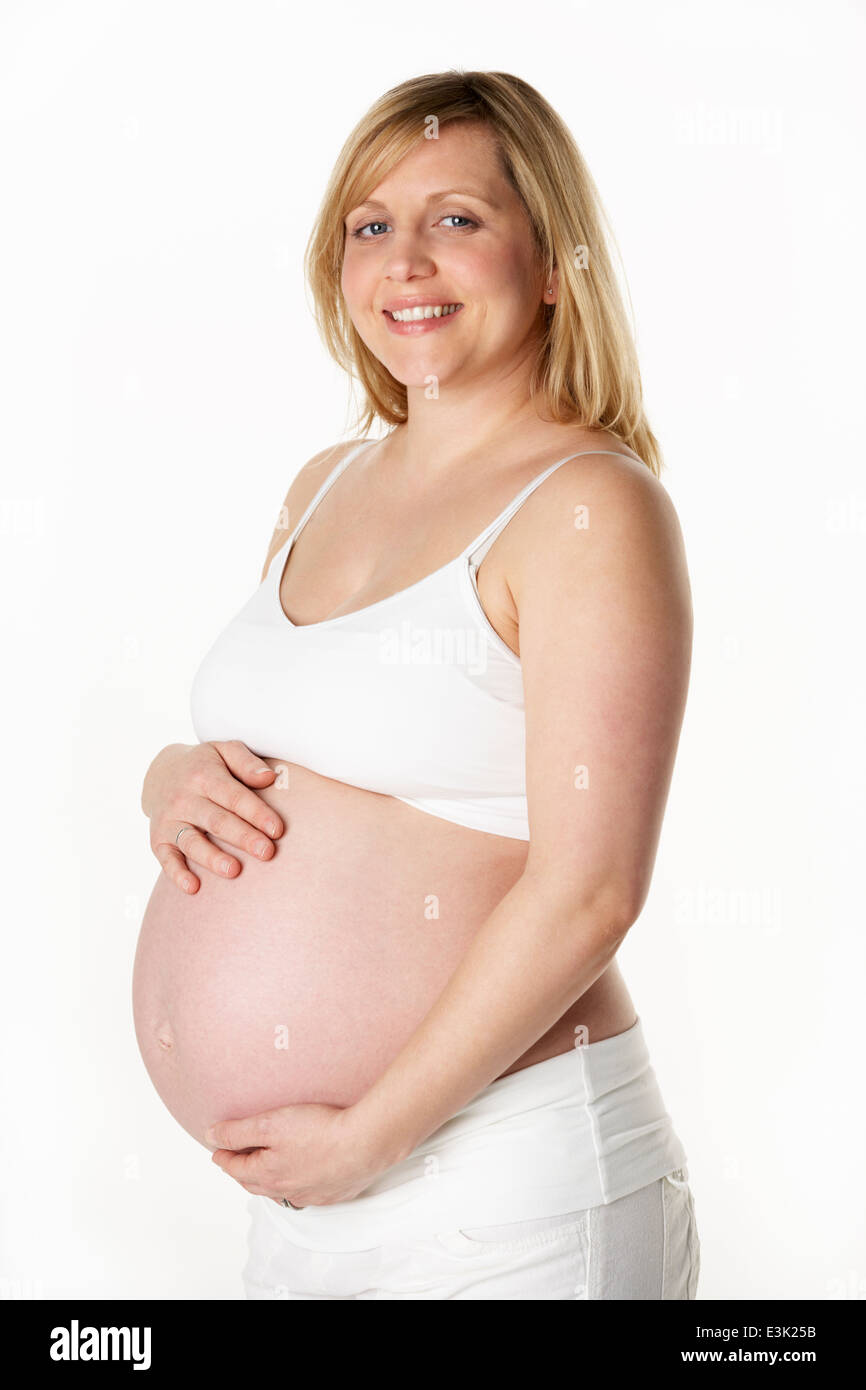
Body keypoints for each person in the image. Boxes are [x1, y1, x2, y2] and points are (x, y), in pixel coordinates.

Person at [138, 69, 699, 1300]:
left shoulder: (588, 508)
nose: (405, 260)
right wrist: (168, 779)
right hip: (308, 1208)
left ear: (552, 263)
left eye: (456, 219)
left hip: (503, 1191)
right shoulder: (322, 483)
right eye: (369, 225)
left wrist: (373, 1134)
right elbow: (288, 739)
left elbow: (592, 887)